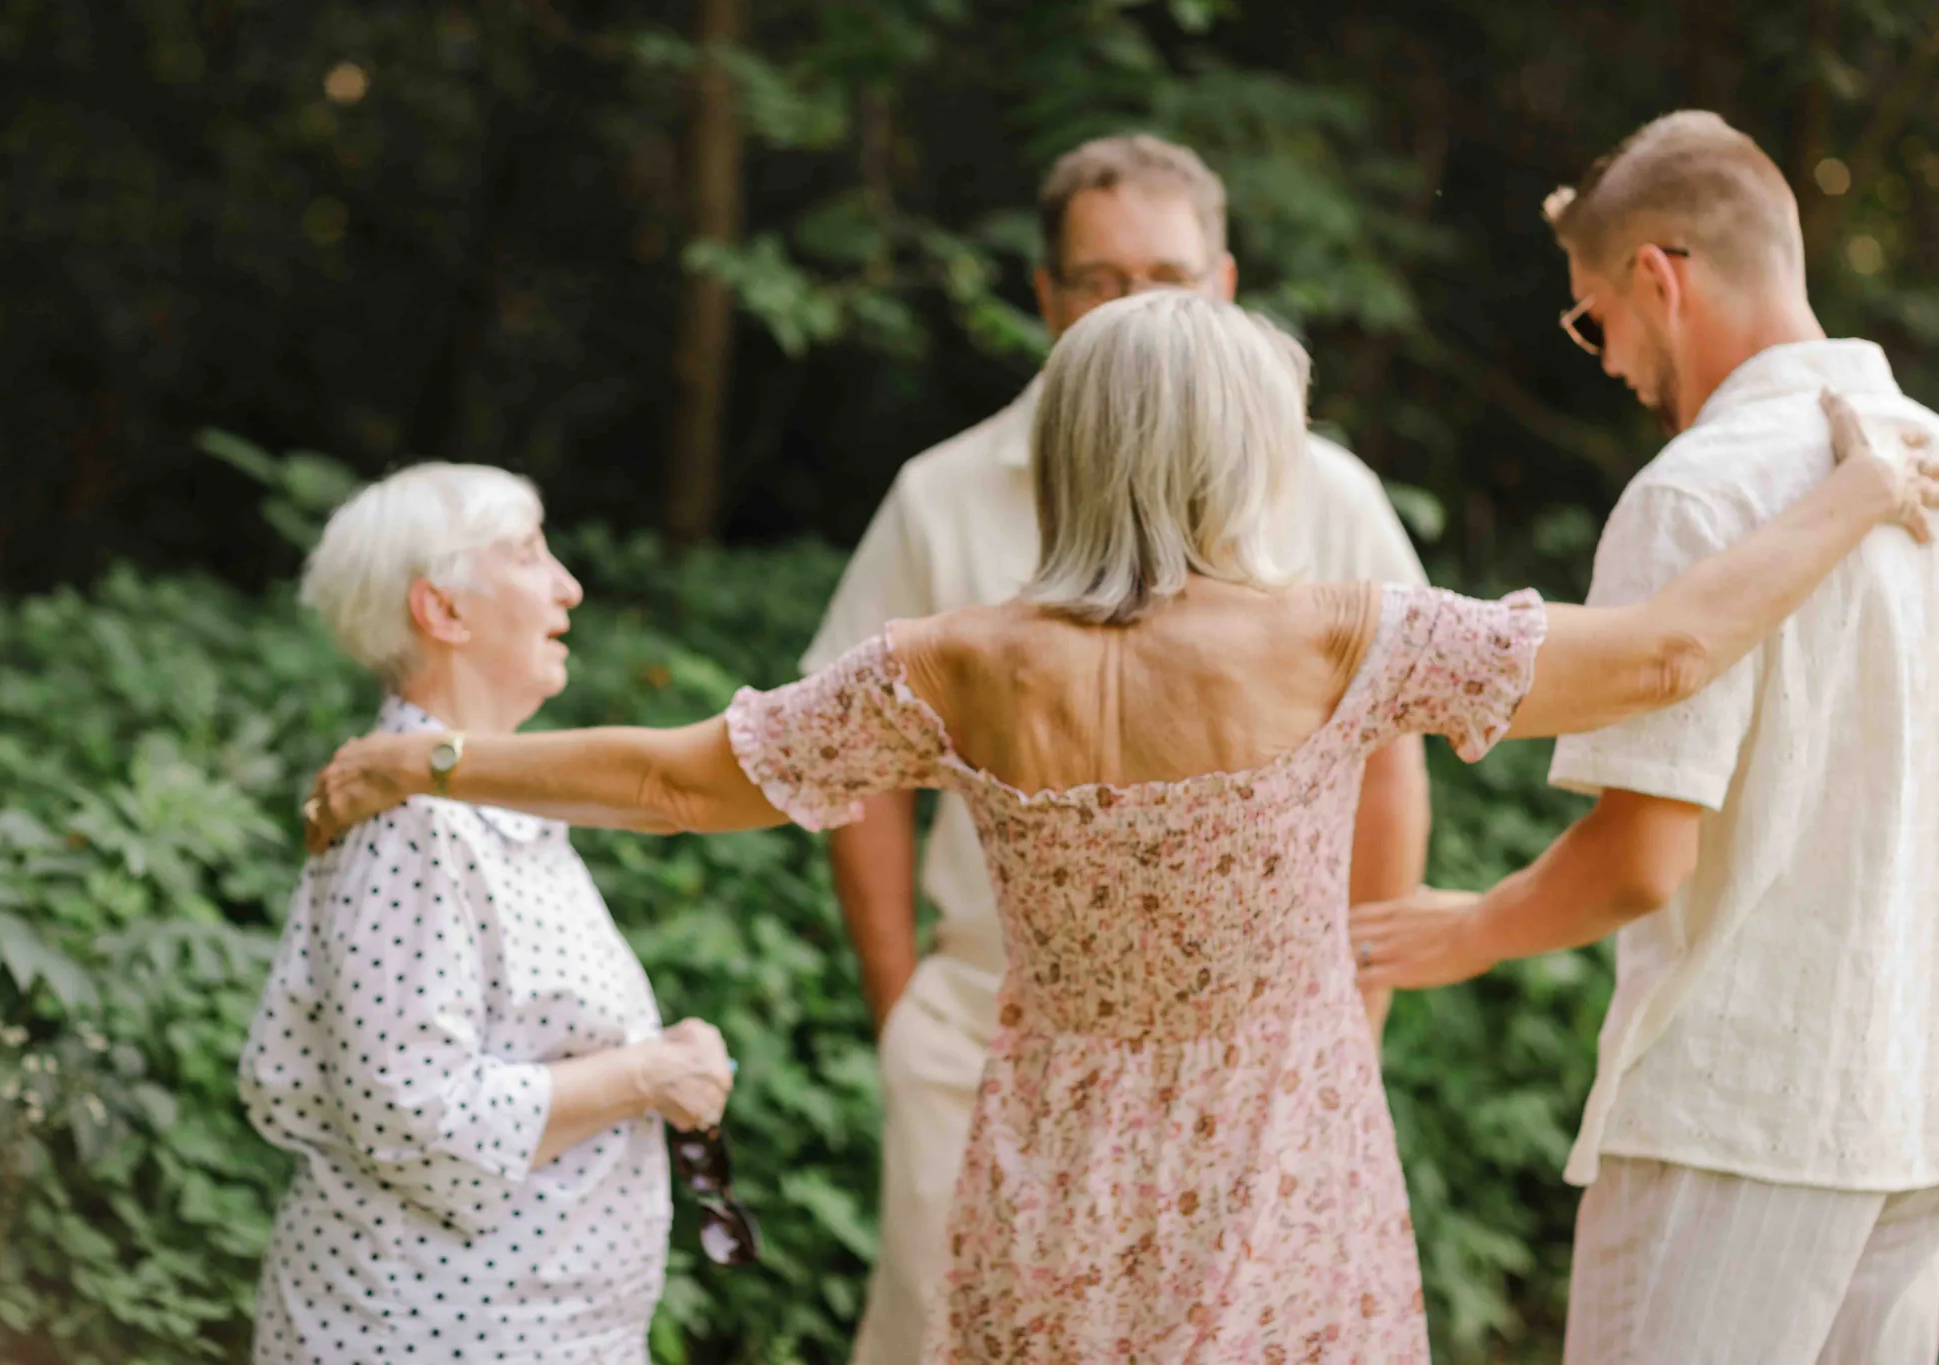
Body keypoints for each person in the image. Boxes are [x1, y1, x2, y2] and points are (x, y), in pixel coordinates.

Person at [299, 292, 1931, 1361]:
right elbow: (1659, 651)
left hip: (1053, 1169)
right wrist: (1856, 493)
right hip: (1284, 1161)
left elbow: (670, 777)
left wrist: (426, 759)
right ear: (1236, 457)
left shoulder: (954, 666)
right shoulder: (1342, 637)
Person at [803, 134, 1431, 1359]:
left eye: (1165, 274)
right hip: (986, 1027)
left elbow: (1390, 758)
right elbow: (844, 765)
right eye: (1095, 279)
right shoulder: (940, 494)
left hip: (1254, 1062)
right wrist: (899, 1006)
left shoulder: (1330, 494)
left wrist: (1354, 1010)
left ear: (1225, 285)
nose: (1131, 305)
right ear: (1044, 296)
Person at [1350, 111, 1939, 1365]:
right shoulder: (1930, 459)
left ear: (1657, 278)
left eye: (1591, 316)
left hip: (1733, 1117)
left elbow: (1638, 860)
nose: (1603, 358)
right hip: (1911, 1109)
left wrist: (1457, 932)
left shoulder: (1694, 492)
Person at [237, 463, 736, 1365]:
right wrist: (649, 1073)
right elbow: (409, 1111)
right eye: (529, 552)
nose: (569, 584)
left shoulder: (477, 804)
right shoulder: (411, 825)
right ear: (444, 611)